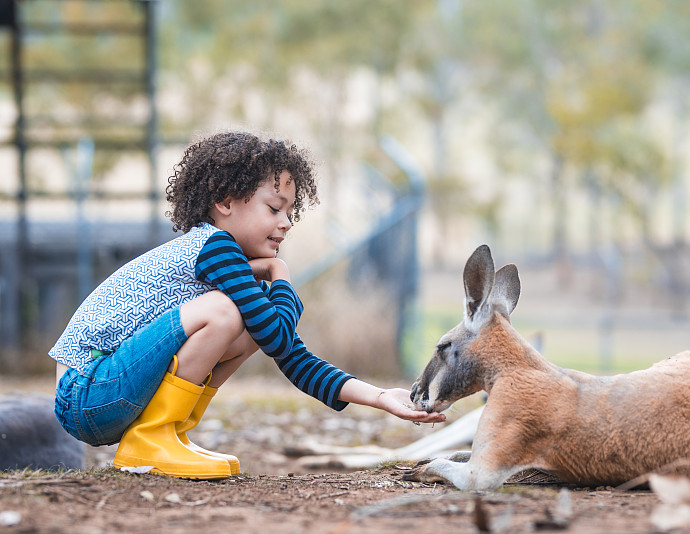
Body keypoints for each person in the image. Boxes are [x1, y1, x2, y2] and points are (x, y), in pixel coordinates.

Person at [50, 130, 445, 480]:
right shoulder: (214, 246)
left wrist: (378, 397)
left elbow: (289, 353)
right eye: (274, 208)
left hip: (104, 395)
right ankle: (152, 437)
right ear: (225, 201)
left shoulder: (226, 262)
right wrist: (280, 273)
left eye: (291, 211)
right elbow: (277, 336)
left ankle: (169, 433)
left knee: (245, 325)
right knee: (224, 313)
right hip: (86, 392)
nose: (287, 222)